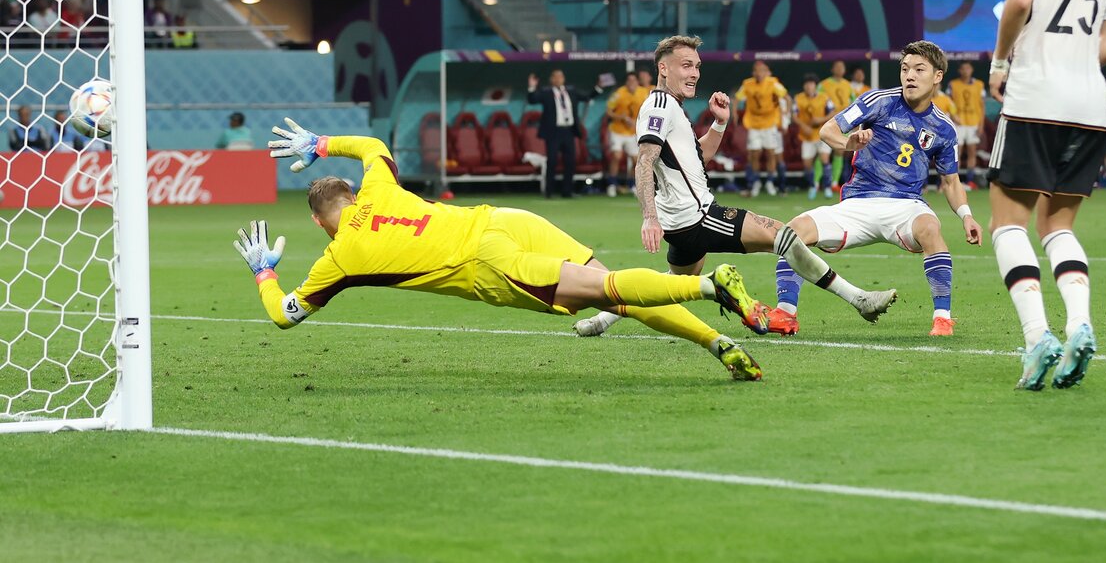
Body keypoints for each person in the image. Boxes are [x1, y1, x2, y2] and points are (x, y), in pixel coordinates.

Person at [241, 120, 766, 381]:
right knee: (618, 297)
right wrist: (320, 144)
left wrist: (265, 273)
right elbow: (372, 147)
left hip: (492, 265)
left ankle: (708, 284)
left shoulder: (340, 259)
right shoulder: (378, 188)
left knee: (606, 290)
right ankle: (719, 345)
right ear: (352, 196)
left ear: (318, 222)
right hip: (506, 220)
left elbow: (285, 315)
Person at [574, 36, 894, 338]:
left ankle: (602, 319)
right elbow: (644, 160)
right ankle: (859, 299)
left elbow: (698, 158)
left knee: (673, 284)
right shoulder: (659, 106)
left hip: (682, 221)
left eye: (697, 66)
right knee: (784, 236)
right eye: (686, 65)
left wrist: (720, 122)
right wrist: (649, 217)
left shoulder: (671, 106)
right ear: (663, 68)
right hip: (696, 217)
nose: (694, 73)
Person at [987, 0, 1106, 390]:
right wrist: (1075, 62)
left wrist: (1001, 62)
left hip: (1035, 98)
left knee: (1007, 223)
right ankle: (1080, 325)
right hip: (1091, 105)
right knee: (1058, 226)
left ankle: (1037, 338)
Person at [771, 41, 980, 338]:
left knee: (931, 228)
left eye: (919, 69)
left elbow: (950, 181)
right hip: (858, 203)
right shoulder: (878, 101)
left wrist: (966, 216)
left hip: (906, 205)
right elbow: (828, 130)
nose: (910, 75)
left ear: (937, 76)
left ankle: (943, 319)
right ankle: (785, 314)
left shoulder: (943, 127)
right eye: (905, 69)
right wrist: (848, 144)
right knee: (792, 232)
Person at [526, 69, 601, 199]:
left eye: (560, 76)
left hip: (568, 131)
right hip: (553, 132)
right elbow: (532, 100)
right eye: (556, 77)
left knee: (570, 161)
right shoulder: (546, 92)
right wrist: (532, 87)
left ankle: (567, 191)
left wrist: (599, 87)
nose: (558, 79)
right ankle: (549, 191)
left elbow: (587, 96)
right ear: (551, 79)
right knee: (552, 161)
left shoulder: (571, 91)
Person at [735, 60, 789, 196]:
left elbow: (787, 98)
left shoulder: (773, 83)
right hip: (753, 123)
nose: (759, 73)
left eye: (762, 70)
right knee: (754, 154)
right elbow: (736, 99)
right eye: (757, 71)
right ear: (753, 72)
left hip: (770, 123)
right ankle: (756, 182)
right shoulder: (747, 84)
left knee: (771, 153)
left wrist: (786, 114)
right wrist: (734, 114)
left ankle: (770, 182)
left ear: (766, 72)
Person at [604, 70, 651, 198]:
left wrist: (638, 121)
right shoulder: (619, 93)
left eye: (634, 80)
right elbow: (609, 111)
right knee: (617, 156)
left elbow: (648, 110)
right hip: (617, 130)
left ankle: (631, 185)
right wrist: (621, 117)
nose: (631, 83)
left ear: (637, 82)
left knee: (636, 160)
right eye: (629, 81)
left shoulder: (644, 92)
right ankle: (611, 184)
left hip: (633, 132)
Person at [794, 75, 836, 200]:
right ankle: (813, 186)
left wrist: (820, 120)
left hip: (823, 134)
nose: (809, 86)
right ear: (804, 86)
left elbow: (833, 113)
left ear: (815, 86)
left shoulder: (824, 97)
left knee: (824, 158)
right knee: (807, 164)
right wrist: (804, 126)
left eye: (811, 84)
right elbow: (794, 116)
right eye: (807, 84)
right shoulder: (798, 98)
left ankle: (827, 187)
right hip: (807, 136)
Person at [948, 62, 986, 186]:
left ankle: (970, 180)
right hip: (958, 123)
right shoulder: (953, 84)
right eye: (963, 69)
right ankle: (956, 181)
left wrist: (981, 125)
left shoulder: (979, 85)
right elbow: (949, 103)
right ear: (959, 70)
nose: (965, 71)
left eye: (968, 68)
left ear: (972, 70)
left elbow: (982, 106)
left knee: (972, 152)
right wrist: (953, 117)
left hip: (973, 123)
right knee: (957, 152)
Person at [817, 61, 855, 188]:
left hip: (844, 123)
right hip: (828, 122)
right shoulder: (823, 85)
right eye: (837, 67)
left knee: (839, 151)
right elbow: (817, 100)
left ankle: (834, 183)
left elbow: (854, 103)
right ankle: (817, 182)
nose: (840, 69)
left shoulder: (848, 85)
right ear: (832, 69)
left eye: (842, 67)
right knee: (823, 153)